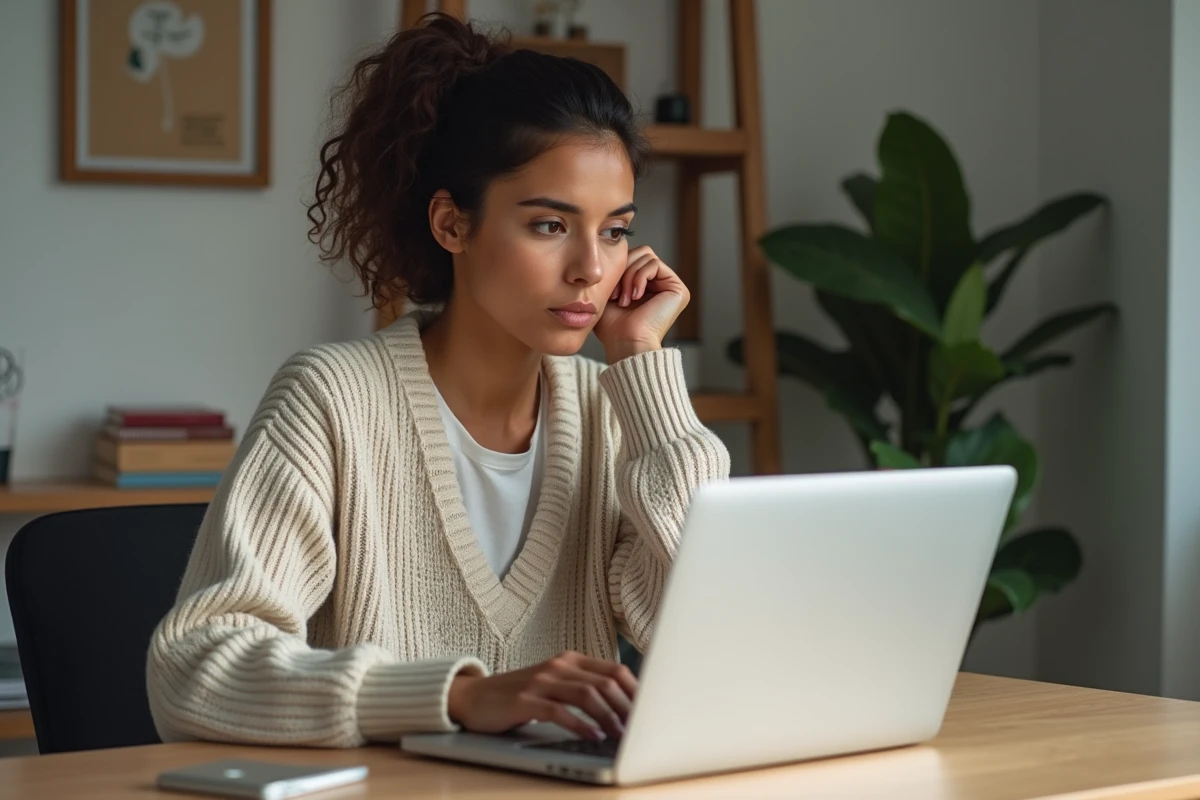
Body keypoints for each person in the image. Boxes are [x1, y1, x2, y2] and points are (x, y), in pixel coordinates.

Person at [146, 13, 730, 749]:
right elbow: (193, 671)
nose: (591, 266)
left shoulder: (612, 415)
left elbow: (717, 626)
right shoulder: (333, 400)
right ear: (452, 224)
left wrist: (642, 366)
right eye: (551, 225)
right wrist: (458, 696)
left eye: (614, 230)